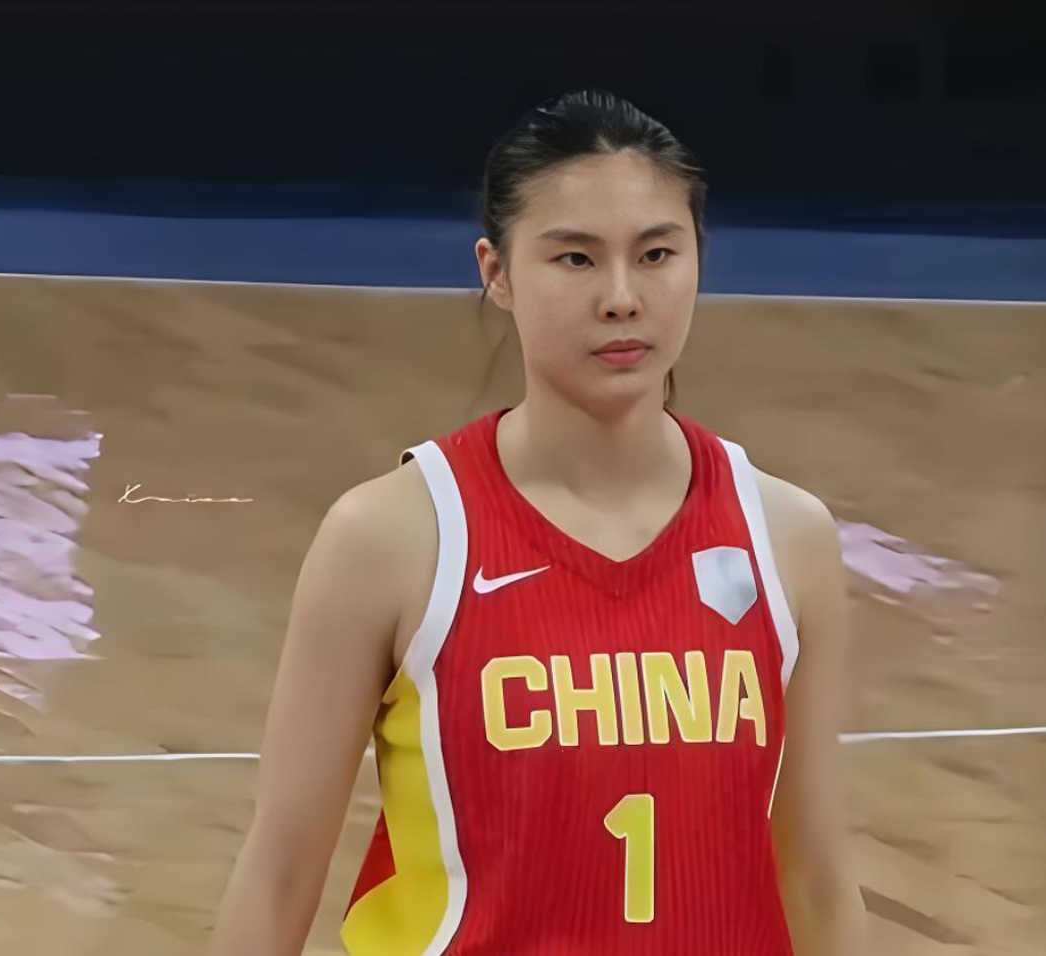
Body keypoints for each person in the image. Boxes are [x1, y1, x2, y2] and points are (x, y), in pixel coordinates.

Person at [208, 89, 865, 956]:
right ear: (498, 272)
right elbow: (281, 872)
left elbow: (815, 876)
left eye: (657, 254)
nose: (622, 297)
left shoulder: (788, 537)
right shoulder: (391, 538)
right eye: (576, 259)